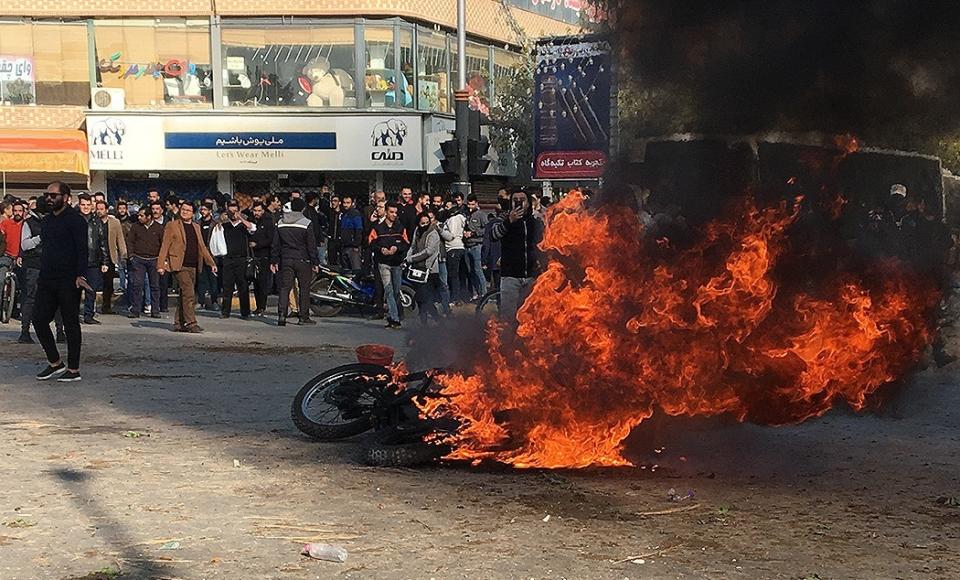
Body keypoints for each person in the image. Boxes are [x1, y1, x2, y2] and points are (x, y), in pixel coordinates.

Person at [33, 182, 88, 382]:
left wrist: (81, 275)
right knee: (38, 320)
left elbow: (82, 251)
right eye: (47, 195)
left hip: (69, 280)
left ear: (66, 197)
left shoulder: (76, 221)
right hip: (47, 278)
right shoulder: (46, 221)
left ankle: (73, 369)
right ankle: (55, 363)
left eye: (54, 195)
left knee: (70, 323)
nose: (49, 198)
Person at [158, 200, 217, 333]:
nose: (185, 212)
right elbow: (165, 245)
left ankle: (178, 323)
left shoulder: (196, 227)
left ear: (193, 213)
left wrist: (211, 263)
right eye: (183, 209)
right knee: (189, 293)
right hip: (179, 265)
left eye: (188, 210)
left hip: (193, 266)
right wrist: (161, 264)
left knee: (184, 294)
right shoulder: (172, 225)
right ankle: (191, 323)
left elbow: (202, 247)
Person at [492, 188, 544, 325]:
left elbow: (543, 244)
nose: (519, 203)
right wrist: (510, 220)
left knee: (530, 318)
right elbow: (494, 235)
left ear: (528, 203)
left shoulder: (535, 222)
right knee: (508, 318)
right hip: (510, 277)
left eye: (522, 200)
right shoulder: (503, 218)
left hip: (531, 276)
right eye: (515, 200)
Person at [271, 198, 320, 326]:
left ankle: (282, 316)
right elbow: (311, 245)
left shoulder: (280, 223)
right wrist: (315, 262)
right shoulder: (306, 223)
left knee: (285, 288)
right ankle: (303, 317)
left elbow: (275, 244)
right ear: (303, 209)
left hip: (286, 259)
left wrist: (274, 260)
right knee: (304, 289)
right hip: (303, 260)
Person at [369, 202, 409, 329]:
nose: (394, 215)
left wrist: (397, 248)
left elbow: (406, 244)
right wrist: (381, 249)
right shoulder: (378, 228)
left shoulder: (400, 228)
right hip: (383, 264)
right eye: (391, 212)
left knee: (397, 291)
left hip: (397, 264)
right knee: (389, 290)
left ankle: (393, 316)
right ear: (386, 212)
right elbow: (371, 243)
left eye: (395, 212)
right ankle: (395, 319)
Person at [219, 200, 257, 319]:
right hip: (228, 259)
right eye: (231, 208)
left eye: (235, 208)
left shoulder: (243, 225)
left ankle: (245, 312)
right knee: (227, 287)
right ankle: (225, 312)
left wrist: (240, 217)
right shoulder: (224, 226)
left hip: (241, 259)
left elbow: (253, 228)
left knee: (243, 286)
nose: (233, 211)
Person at [77, 194, 110, 325]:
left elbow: (103, 242)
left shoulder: (97, 222)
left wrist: (105, 261)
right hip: (76, 261)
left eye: (88, 205)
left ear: (92, 206)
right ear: (79, 205)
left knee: (91, 290)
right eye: (83, 205)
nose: (85, 207)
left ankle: (88, 315)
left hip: (93, 261)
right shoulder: (74, 220)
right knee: (75, 290)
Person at [126, 206, 164, 319]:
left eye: (142, 216)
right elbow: (130, 242)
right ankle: (135, 309)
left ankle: (155, 310)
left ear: (149, 217)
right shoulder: (135, 227)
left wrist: (163, 260)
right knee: (137, 285)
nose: (139, 217)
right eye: (138, 215)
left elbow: (163, 244)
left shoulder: (159, 228)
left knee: (155, 286)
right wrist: (131, 256)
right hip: (138, 259)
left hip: (154, 259)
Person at [406, 211, 443, 324]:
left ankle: (435, 319)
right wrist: (408, 257)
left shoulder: (433, 233)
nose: (425, 225)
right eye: (422, 223)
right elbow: (413, 246)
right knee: (422, 299)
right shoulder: (417, 231)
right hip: (417, 270)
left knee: (424, 298)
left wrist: (412, 259)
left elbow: (429, 251)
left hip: (430, 271)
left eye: (427, 222)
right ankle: (425, 322)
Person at [17, 201, 43, 343]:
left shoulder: (53, 221)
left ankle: (60, 332)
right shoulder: (29, 223)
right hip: (33, 265)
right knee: (30, 298)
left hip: (49, 265)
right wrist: (40, 238)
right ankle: (25, 331)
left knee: (57, 298)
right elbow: (25, 244)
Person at [96, 200, 127, 315]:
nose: (99, 211)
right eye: (97, 209)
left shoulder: (115, 222)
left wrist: (123, 254)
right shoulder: (93, 222)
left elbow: (120, 239)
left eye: (101, 209)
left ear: (107, 210)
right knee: (94, 282)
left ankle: (106, 307)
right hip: (96, 257)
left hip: (110, 256)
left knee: (108, 284)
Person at [249, 201, 276, 316]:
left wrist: (258, 244)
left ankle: (262, 307)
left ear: (263, 211)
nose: (257, 213)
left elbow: (270, 239)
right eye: (255, 211)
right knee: (255, 283)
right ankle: (258, 306)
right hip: (253, 256)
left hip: (264, 255)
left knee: (263, 282)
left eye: (259, 211)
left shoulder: (268, 222)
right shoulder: (252, 221)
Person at [462, 194, 489, 300]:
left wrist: (473, 233)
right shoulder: (466, 215)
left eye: (472, 204)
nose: (470, 206)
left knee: (478, 270)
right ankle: (475, 293)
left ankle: (484, 294)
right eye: (469, 204)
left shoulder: (481, 215)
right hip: (466, 246)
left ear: (476, 203)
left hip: (477, 245)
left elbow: (486, 229)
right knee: (470, 271)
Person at [440, 204, 467, 303]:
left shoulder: (453, 220)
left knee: (453, 275)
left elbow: (451, 235)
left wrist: (442, 230)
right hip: (461, 247)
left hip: (453, 248)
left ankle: (455, 298)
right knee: (461, 274)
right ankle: (464, 296)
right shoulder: (462, 219)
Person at [197, 203, 220, 310]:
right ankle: (200, 301)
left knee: (213, 279)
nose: (203, 211)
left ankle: (214, 301)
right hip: (200, 254)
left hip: (212, 254)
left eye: (205, 209)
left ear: (210, 211)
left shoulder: (215, 224)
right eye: (201, 210)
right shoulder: (197, 224)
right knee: (201, 279)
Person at [150, 201, 171, 312]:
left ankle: (163, 305)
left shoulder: (168, 223)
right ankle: (153, 305)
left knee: (163, 282)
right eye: (153, 209)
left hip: (164, 256)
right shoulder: (149, 222)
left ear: (162, 210)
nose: (155, 211)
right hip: (152, 256)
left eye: (157, 209)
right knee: (153, 283)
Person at [339, 195, 363, 273]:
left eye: (348, 203)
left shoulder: (355, 214)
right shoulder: (343, 214)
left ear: (352, 203)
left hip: (353, 247)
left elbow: (359, 229)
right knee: (346, 271)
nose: (345, 205)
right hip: (345, 246)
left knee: (355, 270)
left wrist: (356, 244)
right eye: (344, 203)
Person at [303, 191, 328, 266]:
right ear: (313, 200)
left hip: (315, 240)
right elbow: (315, 226)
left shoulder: (312, 210)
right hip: (314, 240)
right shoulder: (308, 211)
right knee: (320, 262)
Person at [0, 201, 20, 292]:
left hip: (20, 257)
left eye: (20, 210)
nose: (16, 213)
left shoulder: (25, 224)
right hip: (6, 256)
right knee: (1, 280)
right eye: (14, 210)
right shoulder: (5, 223)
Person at [327, 194, 342, 267]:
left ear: (339, 202)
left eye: (335, 201)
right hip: (331, 239)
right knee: (331, 260)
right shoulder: (330, 212)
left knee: (342, 259)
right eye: (332, 201)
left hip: (340, 239)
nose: (333, 203)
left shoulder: (343, 214)